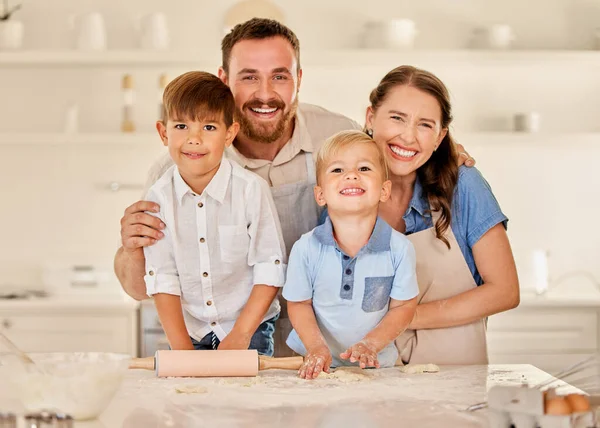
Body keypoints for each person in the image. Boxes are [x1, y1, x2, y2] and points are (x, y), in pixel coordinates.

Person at [113, 18, 475, 355]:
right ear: (223, 79)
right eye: (249, 77)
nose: (266, 94)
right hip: (227, 344)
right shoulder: (173, 171)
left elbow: (398, 153)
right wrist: (132, 250)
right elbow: (141, 287)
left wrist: (441, 151)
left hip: (326, 347)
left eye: (280, 77)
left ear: (299, 79)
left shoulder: (336, 135)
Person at [362, 65, 520, 365]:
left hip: (455, 386)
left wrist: (403, 318)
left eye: (424, 125)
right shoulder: (343, 187)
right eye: (397, 118)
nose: (408, 137)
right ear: (371, 118)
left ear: (439, 136)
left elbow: (505, 291)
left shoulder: (464, 186)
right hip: (370, 380)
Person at [143, 71, 286, 355]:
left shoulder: (250, 190)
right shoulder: (158, 197)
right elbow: (163, 277)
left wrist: (241, 334)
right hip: (190, 330)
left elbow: (270, 266)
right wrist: (182, 349)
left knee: (245, 398)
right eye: (181, 126)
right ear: (163, 133)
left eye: (209, 128)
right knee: (192, 397)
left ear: (229, 134)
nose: (194, 139)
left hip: (250, 328)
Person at [283, 131, 418, 379]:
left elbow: (403, 307)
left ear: (384, 191)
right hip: (318, 367)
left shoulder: (399, 249)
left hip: (379, 368)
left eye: (364, 168)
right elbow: (299, 304)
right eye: (337, 170)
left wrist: (372, 344)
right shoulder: (305, 249)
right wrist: (316, 348)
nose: (351, 175)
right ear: (320, 195)